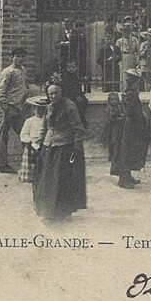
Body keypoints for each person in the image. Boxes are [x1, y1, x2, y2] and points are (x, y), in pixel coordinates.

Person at [34, 82, 87, 221]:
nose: (53, 96)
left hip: (64, 147)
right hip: (48, 146)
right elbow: (44, 126)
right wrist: (38, 143)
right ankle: (48, 210)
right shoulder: (49, 107)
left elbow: (78, 128)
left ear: (61, 92)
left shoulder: (69, 106)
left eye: (56, 93)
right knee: (47, 180)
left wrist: (76, 147)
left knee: (59, 180)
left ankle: (60, 211)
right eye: (50, 93)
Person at [110, 68, 151, 189]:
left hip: (132, 124)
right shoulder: (131, 94)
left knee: (131, 150)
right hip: (131, 125)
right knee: (127, 150)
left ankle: (127, 176)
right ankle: (123, 179)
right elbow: (131, 111)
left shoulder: (130, 92)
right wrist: (142, 116)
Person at [0, 47, 29, 174]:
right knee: (3, 136)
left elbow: (24, 88)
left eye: (23, 56)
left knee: (24, 133)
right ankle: (2, 164)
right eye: (17, 56)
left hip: (18, 108)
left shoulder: (23, 70)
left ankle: (28, 162)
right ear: (12, 57)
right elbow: (0, 90)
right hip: (7, 108)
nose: (20, 59)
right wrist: (4, 106)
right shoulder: (8, 72)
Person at [18, 95, 48, 198]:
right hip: (32, 149)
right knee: (35, 175)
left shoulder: (49, 120)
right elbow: (23, 135)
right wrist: (31, 141)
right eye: (37, 108)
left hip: (45, 148)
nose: (40, 111)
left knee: (45, 174)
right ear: (34, 109)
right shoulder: (30, 121)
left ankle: (45, 196)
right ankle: (36, 195)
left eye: (43, 109)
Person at [61, 59, 89, 127]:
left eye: (73, 67)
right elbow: (69, 89)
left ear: (76, 68)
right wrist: (77, 96)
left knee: (84, 101)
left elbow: (76, 85)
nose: (71, 69)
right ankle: (81, 122)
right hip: (69, 95)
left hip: (76, 94)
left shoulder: (74, 76)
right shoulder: (66, 77)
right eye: (69, 67)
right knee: (77, 104)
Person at [116, 22, 139, 91]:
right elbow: (117, 51)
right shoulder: (119, 41)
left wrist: (137, 58)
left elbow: (137, 50)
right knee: (124, 74)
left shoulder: (134, 39)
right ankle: (123, 89)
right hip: (123, 56)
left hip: (132, 56)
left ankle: (133, 89)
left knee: (133, 73)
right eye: (125, 31)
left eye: (128, 30)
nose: (127, 32)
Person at [102, 91, 125, 162]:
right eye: (112, 100)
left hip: (119, 127)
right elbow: (111, 118)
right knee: (112, 141)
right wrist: (119, 118)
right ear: (109, 101)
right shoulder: (110, 108)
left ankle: (117, 155)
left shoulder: (120, 107)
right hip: (112, 127)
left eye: (116, 99)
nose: (114, 101)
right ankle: (111, 155)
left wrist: (122, 116)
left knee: (119, 141)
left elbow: (124, 113)